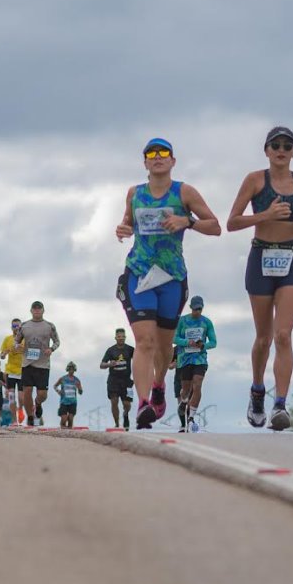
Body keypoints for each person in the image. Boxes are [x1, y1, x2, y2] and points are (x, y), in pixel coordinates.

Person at [115, 137, 221, 429]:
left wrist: (188, 221)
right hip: (139, 274)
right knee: (144, 341)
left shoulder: (184, 192)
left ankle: (159, 384)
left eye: (163, 153)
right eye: (151, 154)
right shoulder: (134, 193)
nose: (157, 157)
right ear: (145, 163)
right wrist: (123, 229)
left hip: (172, 277)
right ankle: (143, 404)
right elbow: (127, 223)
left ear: (173, 161)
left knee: (163, 347)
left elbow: (215, 226)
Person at [225, 126, 293, 431]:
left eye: (287, 146)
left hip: (292, 258)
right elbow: (232, 222)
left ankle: (280, 404)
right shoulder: (254, 180)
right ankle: (257, 391)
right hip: (261, 257)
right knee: (263, 338)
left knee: (284, 335)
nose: (281, 150)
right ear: (266, 150)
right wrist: (265, 215)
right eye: (275, 145)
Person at [173, 296, 217, 433]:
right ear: (190, 308)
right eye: (195, 309)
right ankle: (183, 401)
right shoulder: (182, 321)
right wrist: (187, 342)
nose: (197, 311)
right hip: (184, 360)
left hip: (200, 360)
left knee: (197, 385)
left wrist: (203, 345)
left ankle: (191, 417)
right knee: (185, 390)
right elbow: (174, 338)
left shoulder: (206, 322)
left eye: (199, 309)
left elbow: (214, 342)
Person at [18, 301, 60, 427]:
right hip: (27, 363)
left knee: (42, 394)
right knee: (27, 391)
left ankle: (38, 403)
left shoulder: (49, 326)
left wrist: (51, 349)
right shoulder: (24, 325)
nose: (37, 310)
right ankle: (30, 416)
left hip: (43, 364)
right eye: (34, 308)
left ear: (43, 310)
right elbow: (16, 341)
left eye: (39, 308)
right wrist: (18, 346)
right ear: (31, 311)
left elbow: (57, 341)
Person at [100, 328, 136, 429]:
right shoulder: (110, 350)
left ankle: (125, 414)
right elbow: (101, 365)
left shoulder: (130, 349)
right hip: (113, 380)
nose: (121, 338)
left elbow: (140, 358)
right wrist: (109, 364)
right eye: (119, 337)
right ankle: (116, 424)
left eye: (123, 337)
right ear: (115, 338)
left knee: (127, 404)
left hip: (127, 381)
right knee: (114, 402)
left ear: (125, 337)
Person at [0, 318, 25, 426]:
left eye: (18, 326)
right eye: (14, 326)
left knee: (21, 397)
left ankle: (21, 409)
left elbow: (31, 353)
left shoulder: (25, 339)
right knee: (11, 397)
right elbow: (1, 355)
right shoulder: (7, 339)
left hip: (23, 371)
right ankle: (14, 420)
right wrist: (4, 353)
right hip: (10, 371)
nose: (16, 328)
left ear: (21, 327)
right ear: (11, 328)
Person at [54, 363, 84, 429]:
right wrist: (58, 391)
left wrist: (79, 389)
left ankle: (70, 431)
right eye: (70, 369)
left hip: (73, 402)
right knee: (64, 419)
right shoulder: (62, 378)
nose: (71, 371)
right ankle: (62, 427)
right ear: (67, 369)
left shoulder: (77, 380)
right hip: (64, 401)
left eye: (73, 369)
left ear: (74, 370)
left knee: (70, 419)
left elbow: (80, 392)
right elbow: (55, 386)